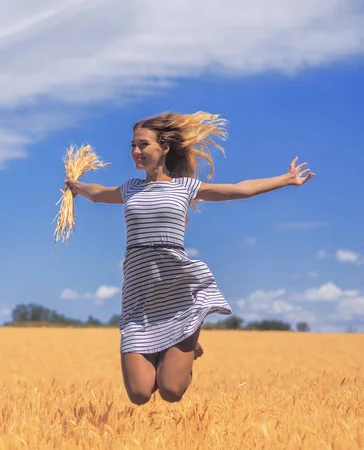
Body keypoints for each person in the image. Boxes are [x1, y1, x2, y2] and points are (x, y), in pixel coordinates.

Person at [63, 111, 315, 405]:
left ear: (164, 147)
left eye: (143, 144)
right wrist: (77, 187)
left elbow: (239, 189)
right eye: (132, 145)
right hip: (139, 293)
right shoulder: (131, 188)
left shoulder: (184, 187)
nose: (135, 151)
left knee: (170, 391)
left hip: (177, 289)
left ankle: (188, 342)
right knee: (140, 393)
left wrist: (286, 178)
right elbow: (98, 193)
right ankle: (175, 348)